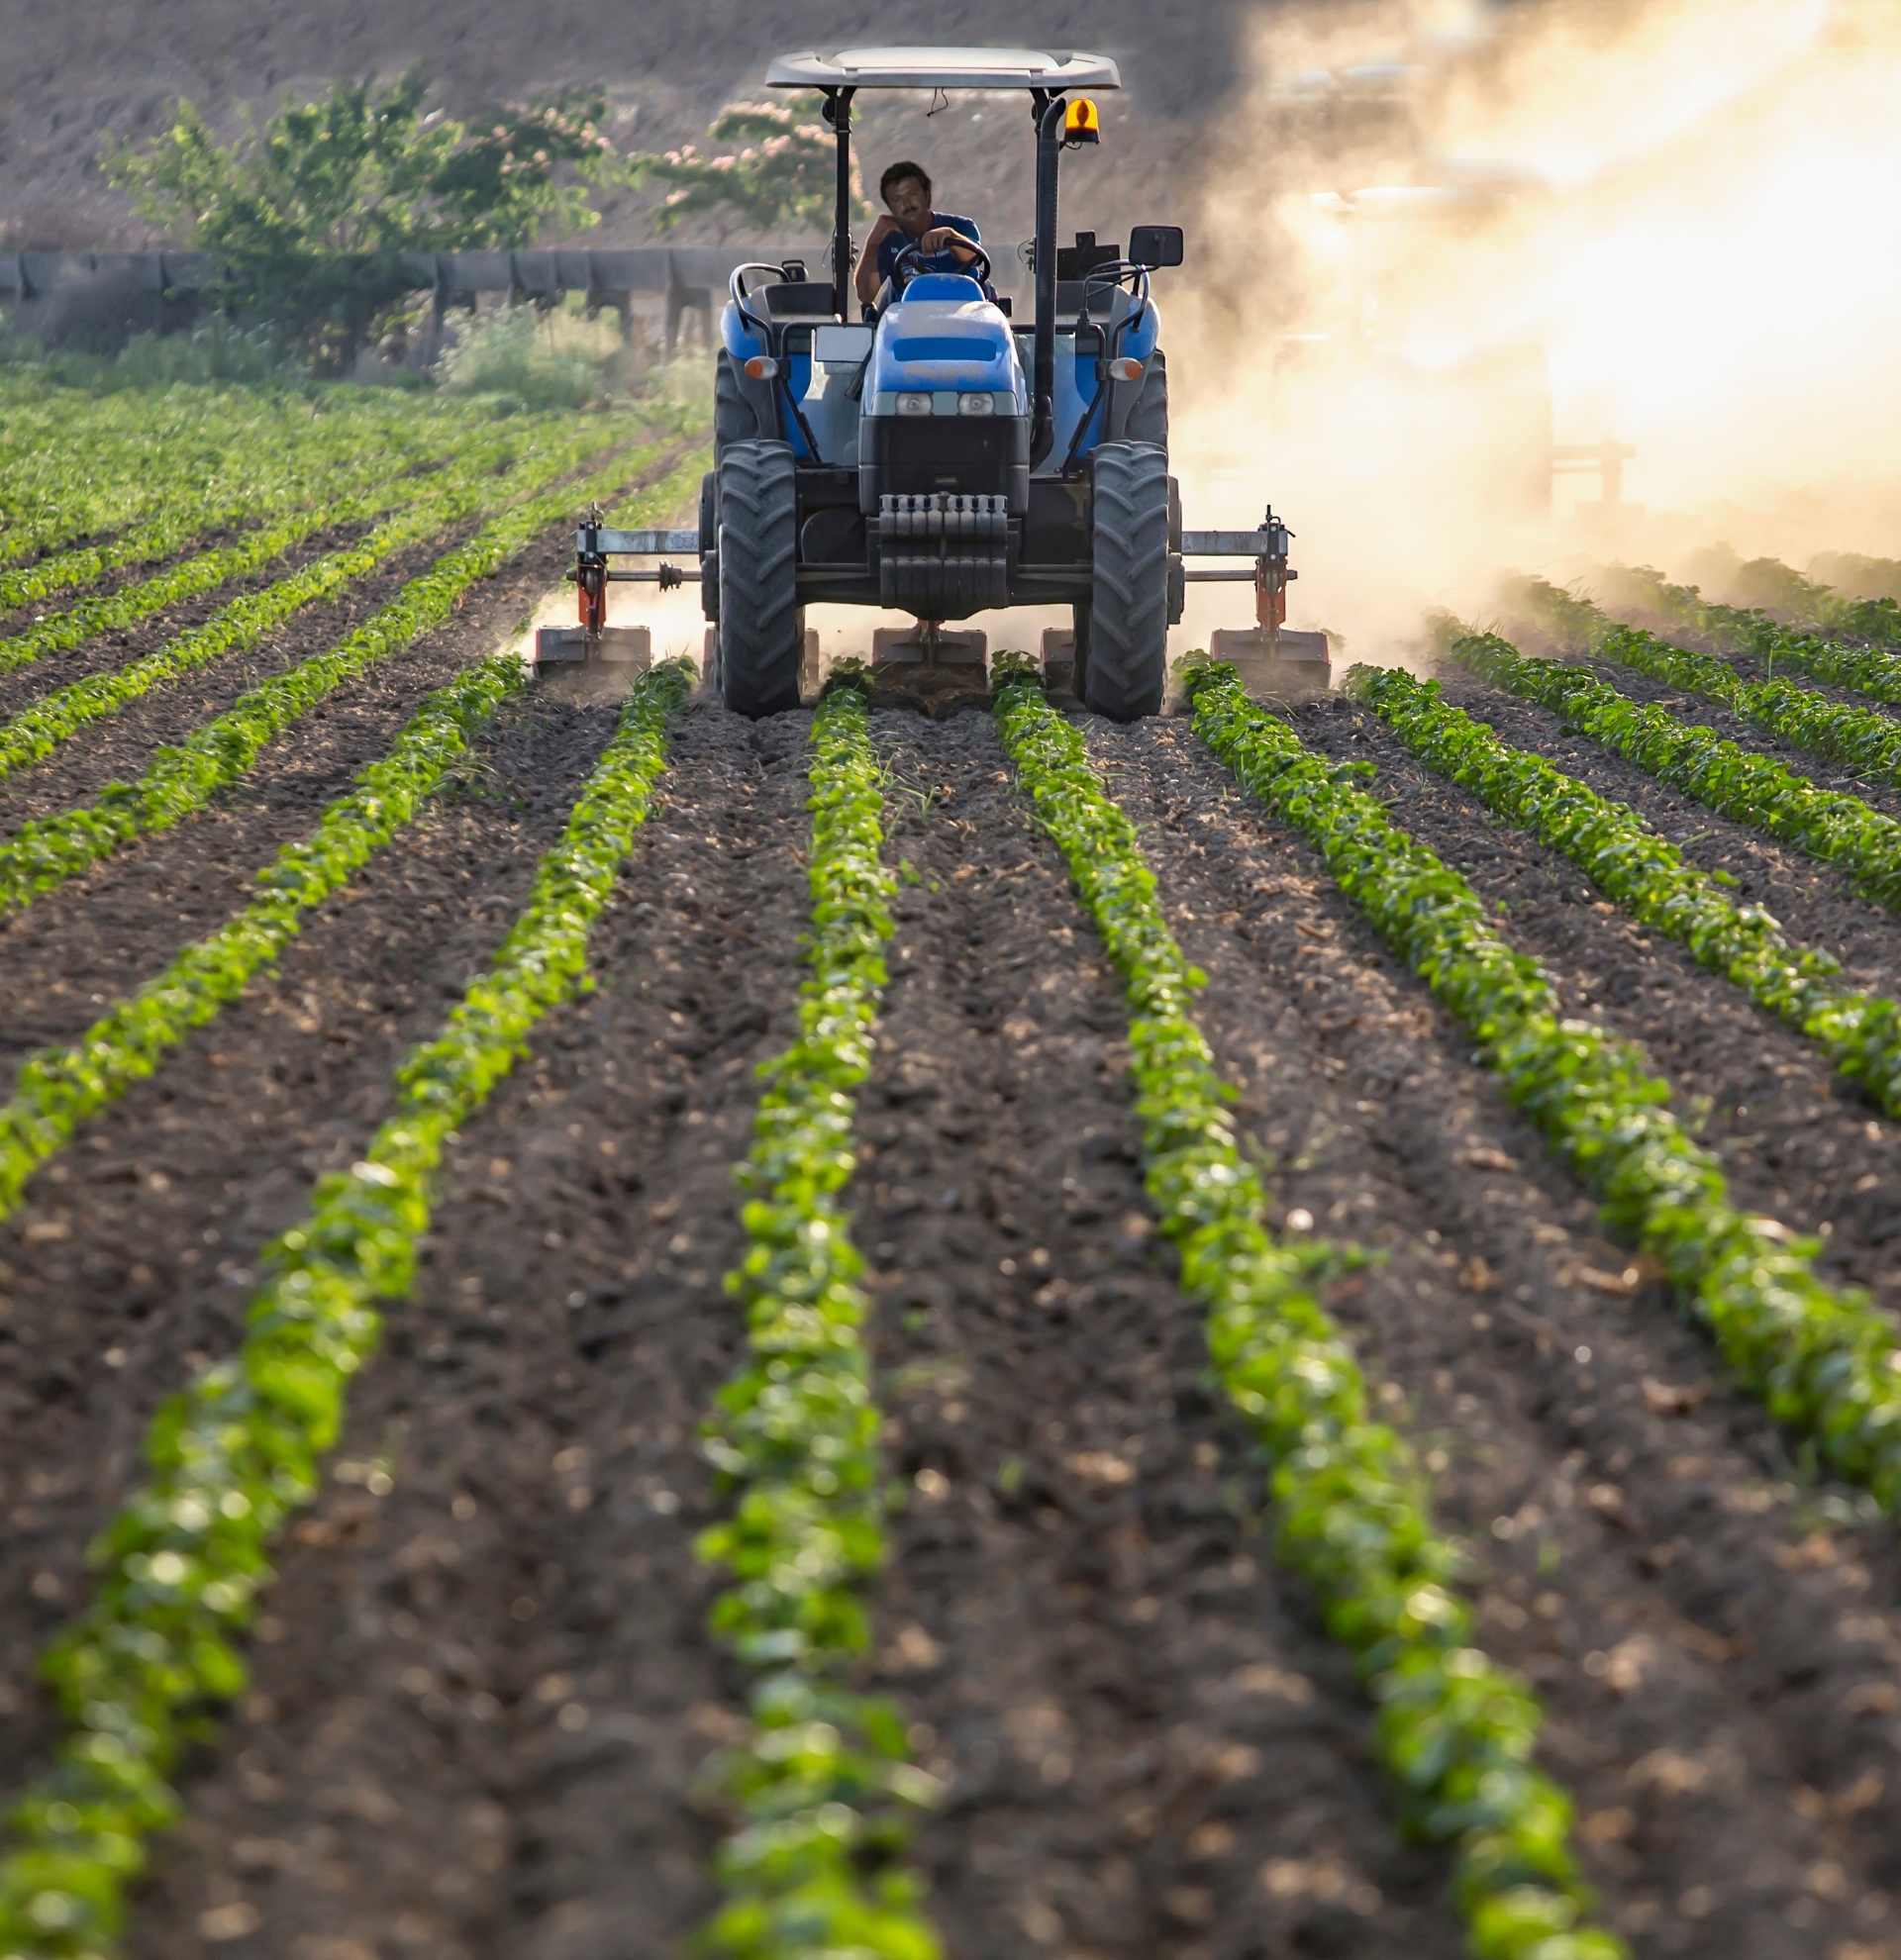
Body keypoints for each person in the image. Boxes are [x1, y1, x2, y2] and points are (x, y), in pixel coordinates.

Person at [854, 160, 985, 311]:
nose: (906, 204)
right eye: (897, 200)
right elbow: (865, 295)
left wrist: (950, 236)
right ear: (890, 207)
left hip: (964, 313)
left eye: (912, 194)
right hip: (909, 319)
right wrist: (874, 241)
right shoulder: (889, 240)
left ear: (927, 195)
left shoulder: (961, 227)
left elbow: (974, 257)